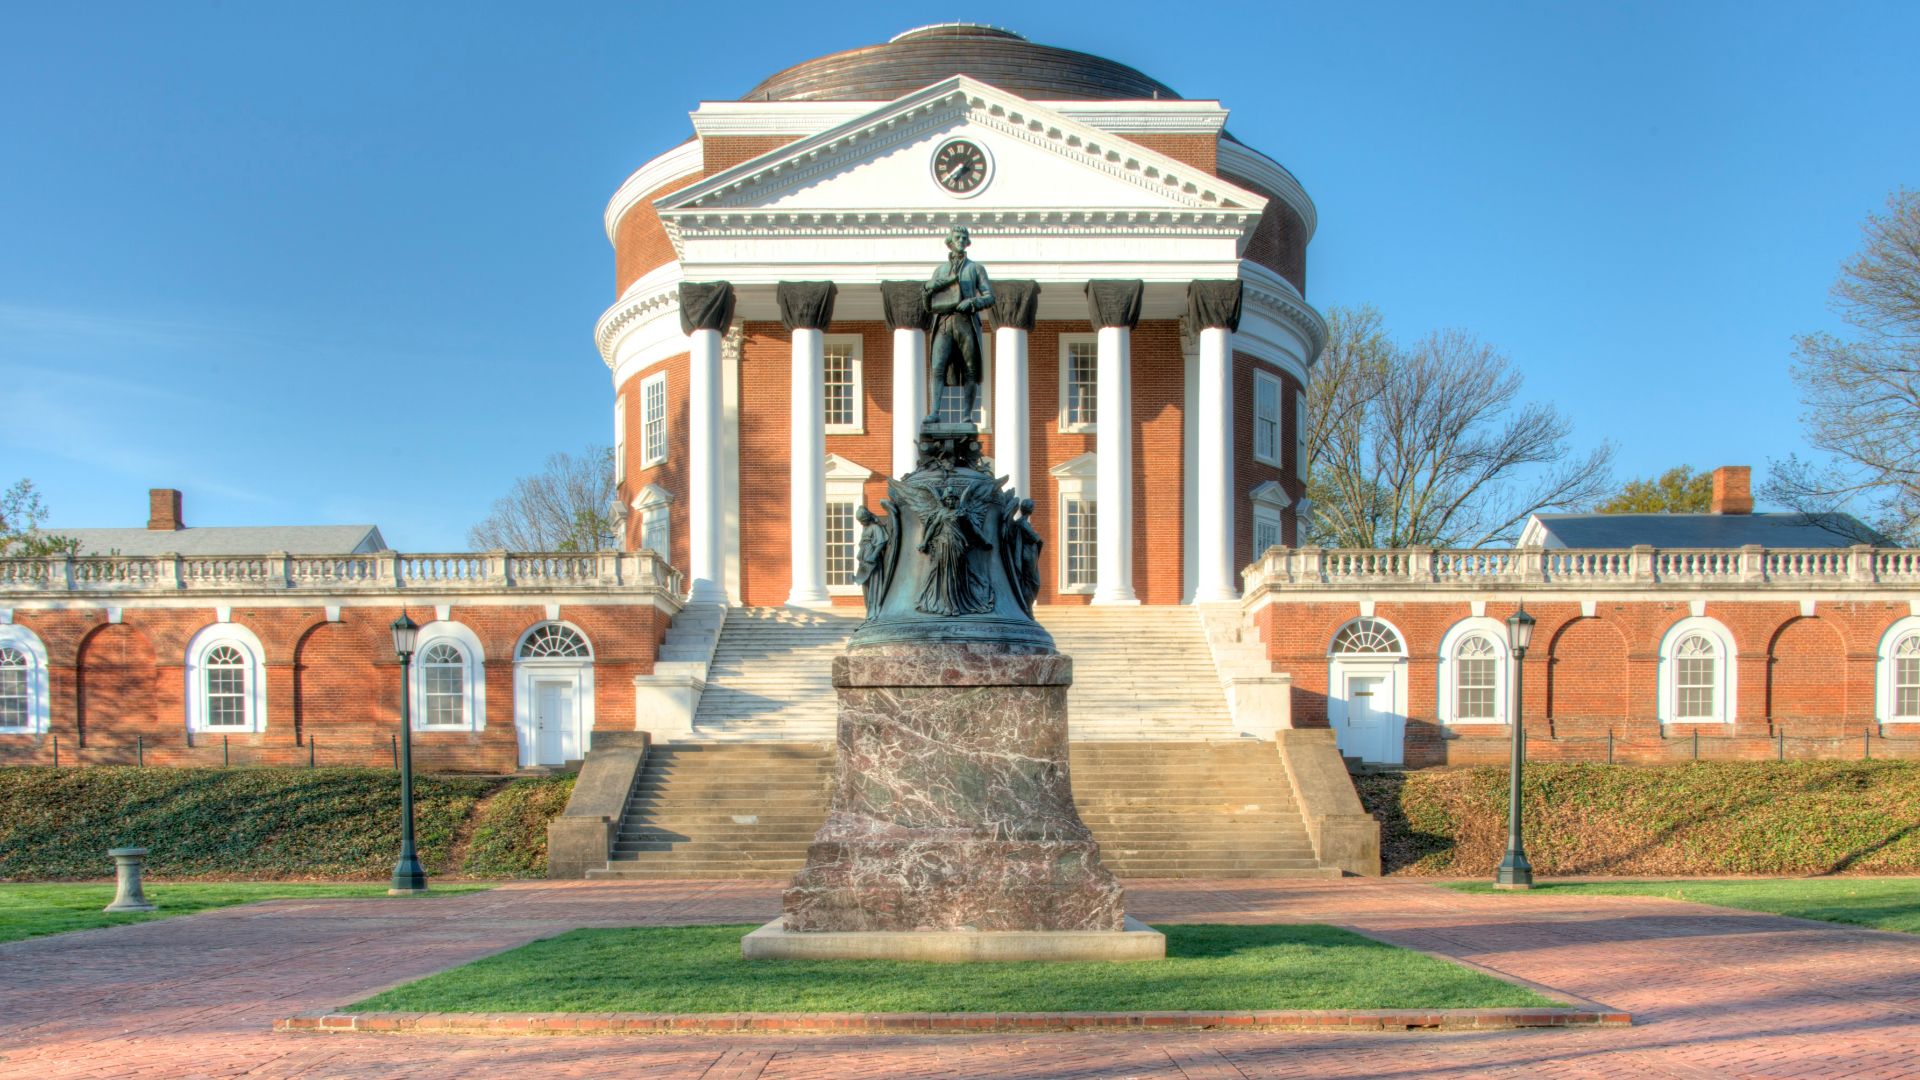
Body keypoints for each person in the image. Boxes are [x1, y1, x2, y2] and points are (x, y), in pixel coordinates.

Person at [922, 226, 994, 424]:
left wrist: (972, 302)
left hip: (966, 322)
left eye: (965, 237)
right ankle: (935, 412)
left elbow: (989, 297)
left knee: (970, 370)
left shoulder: (975, 268)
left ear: (968, 242)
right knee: (937, 367)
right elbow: (928, 306)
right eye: (957, 237)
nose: (961, 240)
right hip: (944, 322)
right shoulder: (940, 271)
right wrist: (927, 290)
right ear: (950, 241)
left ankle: (966, 415)